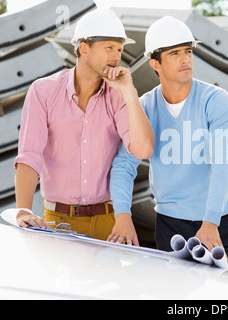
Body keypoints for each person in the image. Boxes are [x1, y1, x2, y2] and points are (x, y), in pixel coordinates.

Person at [109, 16, 228, 274]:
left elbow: (222, 163)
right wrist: (123, 215)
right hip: (171, 225)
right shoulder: (145, 108)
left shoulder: (215, 100)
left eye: (188, 51)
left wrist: (210, 222)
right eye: (174, 53)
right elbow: (124, 164)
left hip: (218, 221)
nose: (185, 59)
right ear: (155, 63)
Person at [14, 8, 154, 241]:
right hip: (57, 221)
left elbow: (142, 149)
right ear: (84, 48)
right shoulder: (44, 91)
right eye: (109, 47)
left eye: (119, 49)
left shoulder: (118, 96)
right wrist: (23, 210)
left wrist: (129, 92)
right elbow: (30, 155)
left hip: (108, 223)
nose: (117, 56)